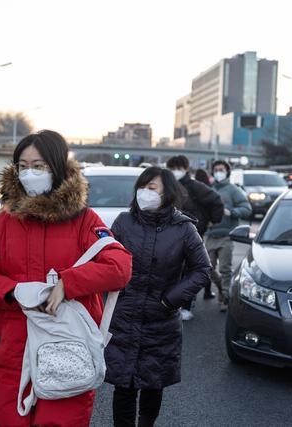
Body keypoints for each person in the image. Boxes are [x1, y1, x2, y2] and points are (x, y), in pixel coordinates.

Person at [0, 130, 132, 426]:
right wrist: (14, 291)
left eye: (39, 166)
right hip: (14, 350)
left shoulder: (84, 220)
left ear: (56, 168)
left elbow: (120, 265)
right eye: (23, 166)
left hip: (68, 349)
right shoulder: (4, 222)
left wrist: (68, 284)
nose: (29, 173)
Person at [105, 167, 211, 427]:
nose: (145, 193)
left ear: (168, 193)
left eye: (152, 188)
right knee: (124, 384)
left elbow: (202, 269)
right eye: (142, 187)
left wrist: (170, 300)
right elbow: (105, 259)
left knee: (154, 383)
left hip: (161, 320)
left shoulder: (184, 229)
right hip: (125, 317)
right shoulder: (123, 222)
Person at [166, 155, 224, 319]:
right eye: (172, 168)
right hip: (171, 231)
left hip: (193, 231)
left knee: (188, 270)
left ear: (185, 169)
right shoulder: (168, 185)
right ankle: (173, 304)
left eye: (178, 168)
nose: (175, 172)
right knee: (172, 269)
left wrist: (212, 221)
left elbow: (215, 200)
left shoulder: (194, 186)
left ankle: (186, 306)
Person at [205, 160, 252, 312]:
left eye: (221, 169)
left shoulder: (233, 190)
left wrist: (232, 212)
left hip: (227, 235)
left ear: (227, 172)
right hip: (211, 235)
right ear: (212, 172)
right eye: (216, 169)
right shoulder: (209, 190)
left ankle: (225, 298)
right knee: (207, 268)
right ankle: (221, 289)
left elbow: (246, 208)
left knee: (225, 269)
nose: (218, 172)